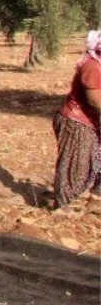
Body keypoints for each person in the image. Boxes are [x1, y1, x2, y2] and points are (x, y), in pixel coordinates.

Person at [52, 30, 101, 208]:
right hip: (76, 122)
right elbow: (95, 101)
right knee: (75, 167)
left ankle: (93, 200)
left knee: (96, 162)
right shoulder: (92, 67)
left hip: (91, 123)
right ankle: (64, 207)